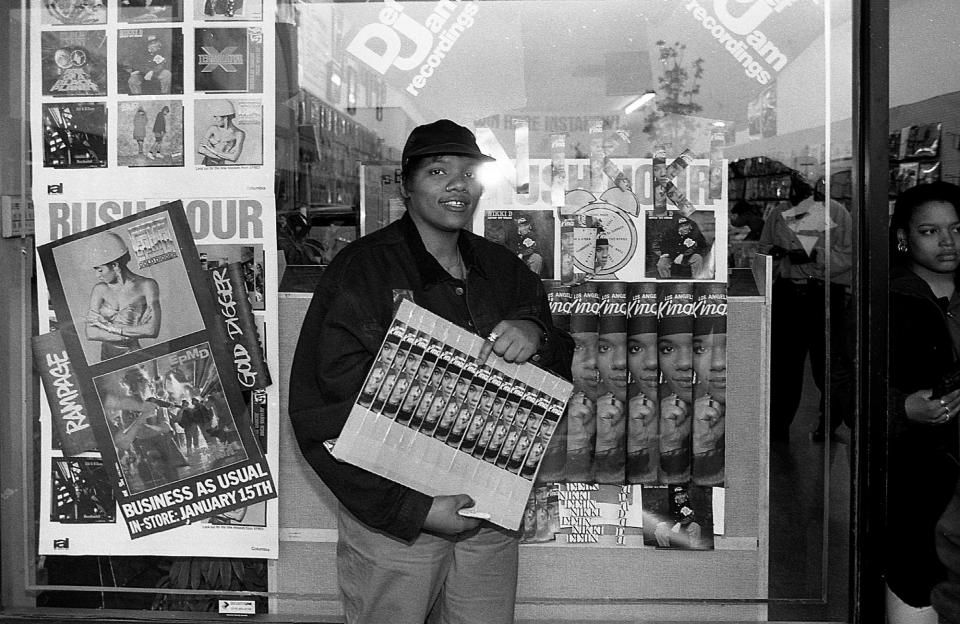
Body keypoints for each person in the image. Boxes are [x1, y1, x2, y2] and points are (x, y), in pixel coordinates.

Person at [288, 119, 573, 624]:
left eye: (468, 173)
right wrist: (412, 508)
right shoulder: (363, 271)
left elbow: (556, 366)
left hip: (488, 518)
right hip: (399, 522)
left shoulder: (502, 268)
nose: (457, 185)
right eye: (439, 171)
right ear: (405, 185)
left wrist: (537, 333)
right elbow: (320, 411)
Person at [881, 182, 960, 623]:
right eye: (930, 231)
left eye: (956, 228)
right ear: (904, 237)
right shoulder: (887, 298)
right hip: (921, 475)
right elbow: (849, 383)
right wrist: (901, 408)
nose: (947, 241)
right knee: (919, 586)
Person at [759, 173, 854, 442]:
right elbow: (763, 248)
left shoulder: (837, 212)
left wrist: (815, 255)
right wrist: (774, 254)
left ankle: (829, 424)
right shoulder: (779, 212)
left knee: (826, 367)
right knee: (783, 367)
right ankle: (777, 429)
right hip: (788, 295)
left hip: (822, 293)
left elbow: (850, 255)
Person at [85, 230, 161, 361]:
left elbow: (152, 330)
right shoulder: (99, 289)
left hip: (133, 356)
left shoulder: (147, 285)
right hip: (106, 359)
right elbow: (90, 332)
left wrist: (109, 328)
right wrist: (127, 334)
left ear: (115, 265)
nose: (97, 275)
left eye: (100, 269)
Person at [198, 100, 245, 165]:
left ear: (226, 118)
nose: (214, 120)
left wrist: (212, 151)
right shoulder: (213, 129)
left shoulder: (239, 134)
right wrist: (223, 155)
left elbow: (234, 157)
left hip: (221, 165)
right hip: (206, 163)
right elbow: (200, 149)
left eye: (217, 118)